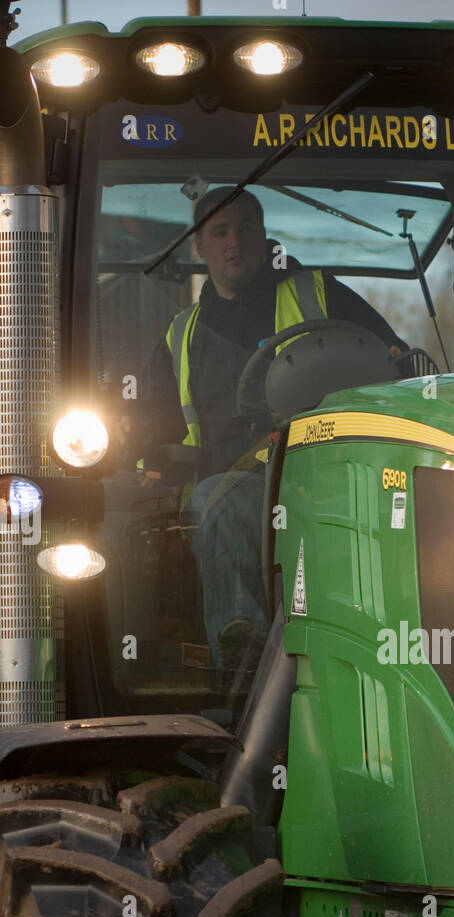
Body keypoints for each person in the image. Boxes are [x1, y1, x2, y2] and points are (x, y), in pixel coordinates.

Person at [138, 185, 407, 666]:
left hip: (329, 474)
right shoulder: (181, 334)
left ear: (264, 237)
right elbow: (148, 426)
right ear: (199, 246)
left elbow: (392, 361)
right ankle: (242, 649)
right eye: (219, 232)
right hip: (234, 486)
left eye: (245, 229)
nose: (233, 242)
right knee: (209, 500)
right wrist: (144, 469)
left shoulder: (318, 293)